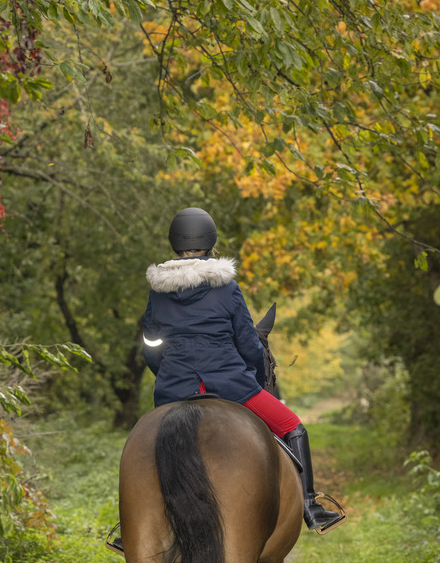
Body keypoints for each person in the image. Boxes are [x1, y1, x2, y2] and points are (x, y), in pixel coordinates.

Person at [141, 206, 344, 533]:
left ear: (174, 242)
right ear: (211, 242)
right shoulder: (225, 287)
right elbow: (249, 341)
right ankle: (310, 507)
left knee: (145, 448)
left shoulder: (159, 292)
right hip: (230, 384)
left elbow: (150, 345)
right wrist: (252, 377)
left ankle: (131, 526)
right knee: (293, 426)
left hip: (174, 388)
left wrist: (166, 375)